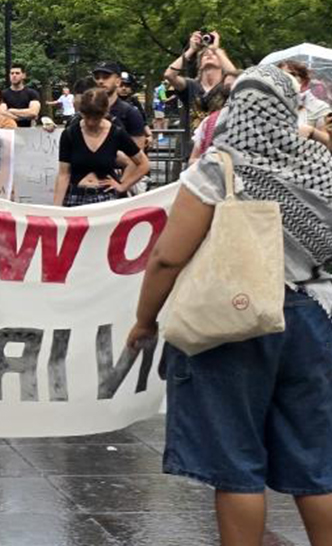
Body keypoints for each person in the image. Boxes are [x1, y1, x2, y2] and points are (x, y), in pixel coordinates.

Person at [125, 65, 332, 546]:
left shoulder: (220, 169)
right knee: (317, 461)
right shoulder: (322, 164)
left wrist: (144, 320)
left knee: (236, 462)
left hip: (235, 319)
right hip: (314, 318)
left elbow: (168, 256)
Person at [53, 88, 151, 206]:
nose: (90, 122)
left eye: (96, 118)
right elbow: (64, 174)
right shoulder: (70, 134)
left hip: (106, 197)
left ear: (105, 113)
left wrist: (123, 186)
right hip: (75, 196)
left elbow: (143, 164)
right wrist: (57, 209)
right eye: (86, 116)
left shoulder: (116, 133)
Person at [163, 30, 240, 119]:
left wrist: (216, 50)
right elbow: (169, 75)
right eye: (205, 55)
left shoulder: (226, 86)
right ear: (200, 65)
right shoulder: (190, 85)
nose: (209, 54)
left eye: (214, 54)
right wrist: (191, 49)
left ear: (222, 62)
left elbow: (237, 78)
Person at [91, 62, 148, 148]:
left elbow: (138, 152)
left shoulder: (131, 113)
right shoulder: (86, 111)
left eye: (106, 77)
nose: (100, 81)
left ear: (118, 81)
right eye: (97, 77)